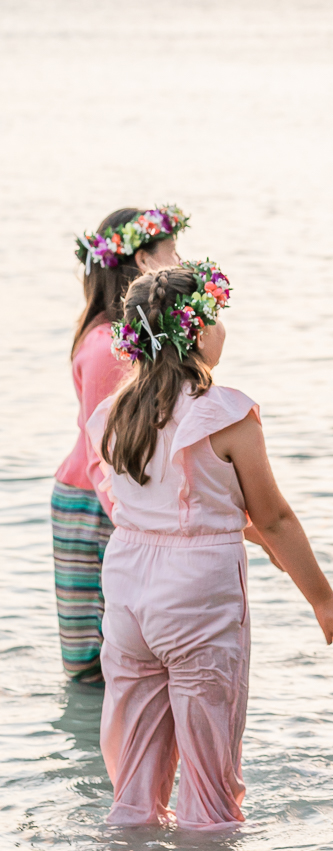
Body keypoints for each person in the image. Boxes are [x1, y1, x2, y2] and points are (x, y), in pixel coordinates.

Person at [88, 262, 333, 827]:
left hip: (128, 594)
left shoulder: (113, 414)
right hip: (197, 599)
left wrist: (254, 538)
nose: (223, 331)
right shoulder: (226, 413)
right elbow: (276, 515)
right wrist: (323, 599)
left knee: (135, 780)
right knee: (211, 789)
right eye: (216, 318)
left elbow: (166, 512)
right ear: (195, 331)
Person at [52, 204, 189, 684]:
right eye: (172, 249)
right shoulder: (107, 345)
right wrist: (134, 526)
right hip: (95, 502)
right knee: (95, 659)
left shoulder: (134, 336)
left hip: (117, 497)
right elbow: (99, 453)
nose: (180, 258)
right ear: (145, 261)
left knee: (131, 652)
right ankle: (98, 754)